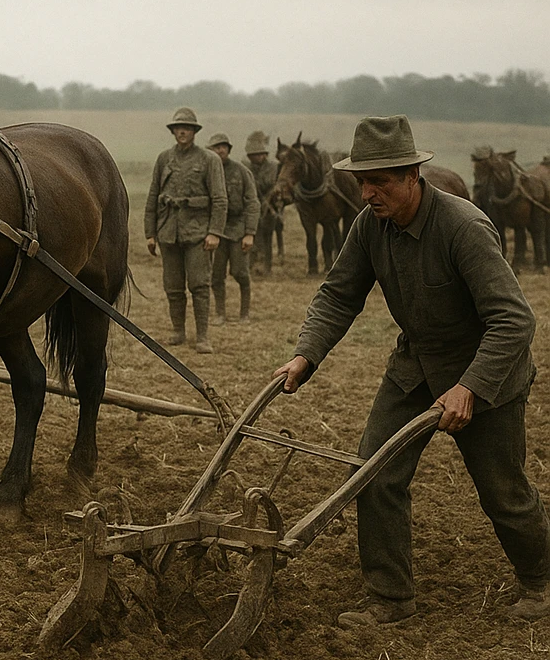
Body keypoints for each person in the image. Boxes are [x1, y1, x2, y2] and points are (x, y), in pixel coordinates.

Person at [274, 115, 550, 627]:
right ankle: (391, 599)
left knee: (502, 491)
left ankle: (541, 581)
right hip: (415, 364)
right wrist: (305, 354)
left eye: (379, 181)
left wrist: (470, 387)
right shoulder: (369, 226)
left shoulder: (463, 227)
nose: (368, 193)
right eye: (362, 181)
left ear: (412, 176)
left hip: (485, 368)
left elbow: (514, 320)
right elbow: (339, 294)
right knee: (373, 472)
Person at [144, 107, 227, 353]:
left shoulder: (209, 160)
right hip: (169, 232)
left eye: (187, 128)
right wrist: (150, 233)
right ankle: (178, 330)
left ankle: (202, 337)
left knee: (200, 285)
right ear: (173, 131)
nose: (182, 132)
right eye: (178, 128)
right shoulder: (164, 159)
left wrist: (214, 233)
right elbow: (152, 197)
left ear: (194, 132)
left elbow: (220, 199)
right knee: (173, 286)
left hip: (198, 233)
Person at [206, 132, 259, 325]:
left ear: (228, 149)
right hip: (215, 230)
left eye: (223, 146)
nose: (220, 150)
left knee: (240, 272)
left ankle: (244, 313)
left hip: (238, 230)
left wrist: (250, 233)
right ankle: (220, 313)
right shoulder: (207, 170)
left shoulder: (241, 171)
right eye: (216, 147)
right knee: (216, 274)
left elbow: (253, 203)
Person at [243, 130, 282, 275]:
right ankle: (253, 265)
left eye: (259, 154)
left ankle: (267, 266)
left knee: (267, 236)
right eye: (253, 155)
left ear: (264, 154)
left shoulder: (274, 167)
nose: (256, 157)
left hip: (269, 207)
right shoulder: (247, 168)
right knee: (253, 235)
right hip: (252, 207)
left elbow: (275, 186)